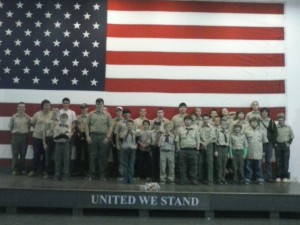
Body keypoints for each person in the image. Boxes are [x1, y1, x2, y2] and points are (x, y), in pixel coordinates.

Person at [85, 98, 112, 181]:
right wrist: (87, 136)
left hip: (103, 137)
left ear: (103, 105)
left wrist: (108, 137)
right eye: (98, 104)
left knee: (102, 156)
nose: (99, 105)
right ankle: (91, 174)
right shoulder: (91, 114)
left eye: (101, 104)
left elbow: (111, 126)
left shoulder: (107, 115)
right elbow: (87, 125)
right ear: (95, 105)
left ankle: (102, 175)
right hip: (93, 136)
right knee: (92, 156)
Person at [28, 100, 52, 177]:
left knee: (46, 155)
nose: (47, 106)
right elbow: (32, 124)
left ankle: (45, 171)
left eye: (48, 105)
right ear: (42, 106)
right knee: (36, 155)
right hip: (37, 137)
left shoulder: (52, 115)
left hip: (48, 138)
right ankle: (33, 170)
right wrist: (38, 130)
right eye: (45, 105)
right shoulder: (37, 114)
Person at [175, 115, 200, 185]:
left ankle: (193, 179)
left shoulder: (195, 129)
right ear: (184, 121)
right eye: (186, 120)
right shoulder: (180, 129)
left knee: (194, 166)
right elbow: (177, 140)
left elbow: (198, 140)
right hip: (183, 150)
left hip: (193, 150)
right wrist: (178, 150)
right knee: (182, 166)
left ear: (192, 121)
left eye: (189, 120)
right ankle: (183, 179)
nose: (187, 121)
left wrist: (197, 149)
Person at [9, 102, 31, 176]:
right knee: (15, 154)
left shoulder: (27, 117)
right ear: (17, 108)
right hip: (15, 136)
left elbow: (29, 127)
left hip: (24, 137)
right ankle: (15, 170)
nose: (21, 108)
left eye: (23, 107)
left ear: (25, 108)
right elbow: (11, 127)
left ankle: (22, 169)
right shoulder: (13, 117)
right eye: (19, 107)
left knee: (23, 154)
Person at [244, 117, 268, 185]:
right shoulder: (246, 131)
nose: (254, 123)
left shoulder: (262, 131)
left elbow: (265, 142)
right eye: (252, 122)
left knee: (259, 167)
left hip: (259, 152)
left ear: (258, 123)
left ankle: (260, 179)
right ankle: (248, 179)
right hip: (249, 151)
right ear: (250, 123)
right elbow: (243, 141)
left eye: (255, 122)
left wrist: (263, 152)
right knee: (248, 166)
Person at [275, 113, 294, 182]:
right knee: (278, 162)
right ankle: (278, 176)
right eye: (279, 119)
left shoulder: (288, 127)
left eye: (282, 118)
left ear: (284, 119)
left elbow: (291, 137)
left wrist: (288, 143)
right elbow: (273, 136)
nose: (280, 120)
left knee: (285, 162)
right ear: (277, 120)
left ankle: (285, 176)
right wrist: (275, 143)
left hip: (285, 146)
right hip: (278, 146)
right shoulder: (275, 127)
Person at [117, 120, 138, 184]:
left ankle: (130, 179)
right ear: (126, 125)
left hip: (132, 150)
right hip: (125, 149)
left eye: (131, 125)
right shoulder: (123, 133)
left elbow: (137, 142)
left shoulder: (135, 133)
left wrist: (135, 147)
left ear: (133, 126)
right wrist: (122, 147)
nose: (129, 126)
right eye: (128, 125)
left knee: (131, 165)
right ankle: (125, 179)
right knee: (125, 165)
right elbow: (120, 140)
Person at [260, 108, 278, 183]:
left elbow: (275, 132)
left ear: (268, 113)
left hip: (269, 143)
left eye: (266, 112)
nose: (264, 113)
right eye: (263, 112)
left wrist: (273, 142)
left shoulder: (271, 121)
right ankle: (260, 177)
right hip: (260, 143)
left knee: (268, 161)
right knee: (259, 161)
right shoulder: (258, 121)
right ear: (261, 113)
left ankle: (269, 176)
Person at [53, 113, 72, 181]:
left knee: (66, 160)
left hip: (66, 145)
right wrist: (63, 135)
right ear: (60, 119)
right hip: (58, 144)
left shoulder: (69, 127)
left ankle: (65, 174)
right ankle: (57, 174)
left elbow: (68, 136)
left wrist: (61, 135)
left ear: (67, 119)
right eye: (62, 118)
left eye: (65, 118)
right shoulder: (56, 127)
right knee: (58, 160)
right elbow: (55, 137)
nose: (63, 119)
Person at [42, 107, 59, 179]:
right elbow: (44, 133)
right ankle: (47, 173)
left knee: (57, 158)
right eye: (54, 110)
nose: (55, 111)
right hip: (49, 139)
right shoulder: (47, 121)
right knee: (48, 157)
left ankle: (56, 173)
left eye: (56, 110)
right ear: (51, 111)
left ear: (58, 112)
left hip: (57, 140)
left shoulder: (60, 121)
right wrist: (44, 143)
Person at [72, 103, 89, 176]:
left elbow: (90, 126)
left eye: (85, 108)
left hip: (87, 136)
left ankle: (86, 170)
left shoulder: (90, 117)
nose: (83, 110)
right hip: (78, 136)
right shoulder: (78, 117)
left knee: (87, 154)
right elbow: (75, 127)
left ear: (87, 109)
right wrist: (79, 134)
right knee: (78, 154)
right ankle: (78, 170)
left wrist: (85, 136)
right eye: (82, 108)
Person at [199, 114, 216, 185]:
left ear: (209, 120)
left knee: (209, 163)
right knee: (201, 163)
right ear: (202, 120)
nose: (205, 120)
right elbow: (197, 136)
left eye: (207, 119)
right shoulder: (199, 128)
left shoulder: (212, 127)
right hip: (201, 145)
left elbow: (212, 137)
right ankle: (201, 179)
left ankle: (210, 180)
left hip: (209, 145)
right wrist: (202, 143)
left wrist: (205, 144)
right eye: (204, 119)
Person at [215, 119, 230, 185]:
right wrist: (216, 150)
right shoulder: (217, 131)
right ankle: (218, 179)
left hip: (225, 148)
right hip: (219, 148)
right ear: (220, 124)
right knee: (219, 164)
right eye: (222, 123)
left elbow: (229, 142)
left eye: (225, 123)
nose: (224, 124)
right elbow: (215, 141)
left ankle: (223, 179)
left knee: (224, 164)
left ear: (227, 125)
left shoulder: (228, 132)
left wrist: (229, 152)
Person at [110, 106, 124, 178]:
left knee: (121, 158)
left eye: (120, 111)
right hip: (113, 140)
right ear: (116, 112)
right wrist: (112, 142)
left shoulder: (124, 121)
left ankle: (121, 173)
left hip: (122, 141)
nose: (119, 112)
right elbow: (111, 132)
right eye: (118, 111)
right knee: (115, 158)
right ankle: (115, 173)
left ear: (122, 112)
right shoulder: (112, 120)